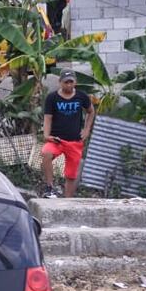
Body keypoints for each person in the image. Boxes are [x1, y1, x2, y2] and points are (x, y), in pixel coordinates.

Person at [41, 70, 95, 198]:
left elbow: (91, 111)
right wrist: (46, 135)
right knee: (46, 153)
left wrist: (86, 130)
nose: (69, 85)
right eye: (66, 82)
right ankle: (50, 187)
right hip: (57, 140)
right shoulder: (52, 98)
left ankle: (68, 200)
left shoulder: (81, 96)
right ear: (60, 83)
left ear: (75, 82)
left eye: (71, 82)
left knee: (71, 175)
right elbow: (48, 118)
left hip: (75, 141)